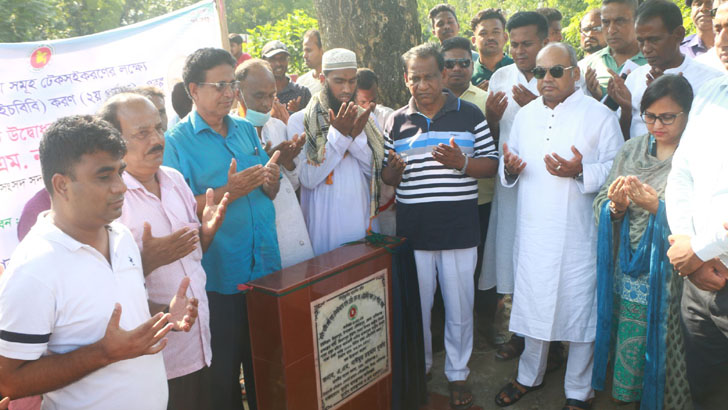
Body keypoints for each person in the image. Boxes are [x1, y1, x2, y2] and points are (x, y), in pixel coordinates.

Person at [0, 115, 199, 409]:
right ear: (62, 185)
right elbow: (8, 381)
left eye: (121, 172)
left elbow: (121, 315)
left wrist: (164, 313)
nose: (120, 187)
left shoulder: (121, 236)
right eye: (104, 177)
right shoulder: (34, 269)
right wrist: (103, 353)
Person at [493, 43, 623, 410]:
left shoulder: (599, 116)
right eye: (539, 72)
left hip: (579, 233)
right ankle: (528, 375)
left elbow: (617, 169)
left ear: (575, 73)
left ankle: (579, 389)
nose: (546, 79)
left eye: (555, 71)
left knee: (580, 308)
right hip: (534, 230)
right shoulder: (526, 115)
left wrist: (580, 170)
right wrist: (511, 170)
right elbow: (509, 163)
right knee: (534, 303)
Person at [382, 42, 499, 410]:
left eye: (429, 76)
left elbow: (492, 164)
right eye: (414, 78)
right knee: (417, 306)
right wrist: (393, 173)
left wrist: (462, 163)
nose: (423, 85)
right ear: (406, 80)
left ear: (443, 74)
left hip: (459, 227)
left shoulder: (470, 115)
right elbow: (387, 176)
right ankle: (422, 368)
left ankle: (458, 373)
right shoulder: (395, 121)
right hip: (414, 231)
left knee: (459, 305)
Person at [163, 48, 281, 410]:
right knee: (225, 377)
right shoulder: (176, 142)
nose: (229, 93)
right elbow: (178, 210)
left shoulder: (245, 128)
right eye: (220, 86)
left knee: (270, 367)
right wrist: (230, 191)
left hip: (266, 269)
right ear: (193, 89)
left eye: (232, 84)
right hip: (220, 277)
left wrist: (271, 180)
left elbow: (268, 191)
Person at [98, 93, 229, 410]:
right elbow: (101, 288)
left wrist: (207, 232)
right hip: (157, 362)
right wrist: (148, 260)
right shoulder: (111, 199)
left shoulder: (173, 180)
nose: (157, 139)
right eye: (142, 133)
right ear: (114, 143)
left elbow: (193, 256)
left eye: (158, 128)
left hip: (200, 346)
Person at [592, 75, 694, 410]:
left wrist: (656, 208)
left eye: (668, 117)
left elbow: (703, 220)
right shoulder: (632, 149)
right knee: (629, 348)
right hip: (629, 271)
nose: (657, 125)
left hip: (672, 277)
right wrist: (615, 207)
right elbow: (600, 204)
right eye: (649, 116)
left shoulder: (696, 156)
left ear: (687, 114)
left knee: (668, 351)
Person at [478, 11, 548, 361]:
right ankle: (519, 335)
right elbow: (493, 136)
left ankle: (549, 341)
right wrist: (490, 117)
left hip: (546, 184)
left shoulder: (558, 75)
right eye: (515, 43)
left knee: (540, 257)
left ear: (545, 41)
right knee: (512, 255)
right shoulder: (501, 76)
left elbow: (571, 127)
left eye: (528, 43)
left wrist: (537, 107)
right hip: (509, 182)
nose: (520, 50)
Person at [665, 53, 728, 410]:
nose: (722, 39)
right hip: (699, 280)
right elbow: (681, 172)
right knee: (708, 392)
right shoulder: (709, 92)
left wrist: (701, 250)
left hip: (709, 262)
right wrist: (688, 243)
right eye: (719, 27)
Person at [286, 49, 379, 255]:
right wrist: (340, 136)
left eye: (352, 81)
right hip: (323, 226)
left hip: (361, 219)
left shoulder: (367, 119)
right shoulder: (299, 121)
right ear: (322, 79)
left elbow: (375, 172)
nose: (347, 89)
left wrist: (353, 139)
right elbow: (308, 179)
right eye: (339, 81)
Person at [441, 36, 500, 347]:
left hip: (481, 198)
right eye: (449, 63)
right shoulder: (430, 101)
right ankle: (444, 328)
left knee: (480, 266)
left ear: (472, 65)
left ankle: (484, 326)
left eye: (464, 62)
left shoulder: (485, 99)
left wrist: (492, 119)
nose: (457, 69)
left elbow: (494, 152)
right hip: (444, 202)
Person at [235, 59, 314, 268]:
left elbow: (294, 184)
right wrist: (266, 162)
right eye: (258, 96)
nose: (265, 104)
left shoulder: (278, 126)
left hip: (293, 227)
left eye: (271, 96)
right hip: (264, 238)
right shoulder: (231, 135)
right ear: (237, 93)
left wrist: (287, 164)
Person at [607, 0, 723, 140]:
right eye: (641, 41)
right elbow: (622, 140)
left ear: (679, 35)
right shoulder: (634, 78)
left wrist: (668, 96)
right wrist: (626, 110)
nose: (646, 49)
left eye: (654, 40)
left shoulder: (710, 81)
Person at [354, 68, 396, 237]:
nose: (369, 107)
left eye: (373, 100)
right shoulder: (343, 120)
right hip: (356, 202)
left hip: (386, 204)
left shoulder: (388, 117)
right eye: (363, 102)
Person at [583, 0, 646, 100]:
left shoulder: (655, 63)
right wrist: (595, 97)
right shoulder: (586, 66)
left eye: (620, 21)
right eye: (606, 22)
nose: (611, 30)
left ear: (638, 21)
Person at [261, 40, 311, 113]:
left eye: (282, 58)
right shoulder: (258, 93)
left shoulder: (302, 92)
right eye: (273, 59)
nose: (278, 63)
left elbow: (311, 122)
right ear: (264, 62)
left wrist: (297, 113)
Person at [470, 8, 513, 91]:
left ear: (505, 37)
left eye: (496, 32)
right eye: (483, 33)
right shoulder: (468, 75)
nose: (490, 37)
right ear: (474, 40)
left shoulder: (519, 68)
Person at [297, 29, 324, 95]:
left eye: (308, 50)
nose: (304, 55)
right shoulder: (301, 83)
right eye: (304, 51)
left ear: (322, 50)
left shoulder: (335, 81)